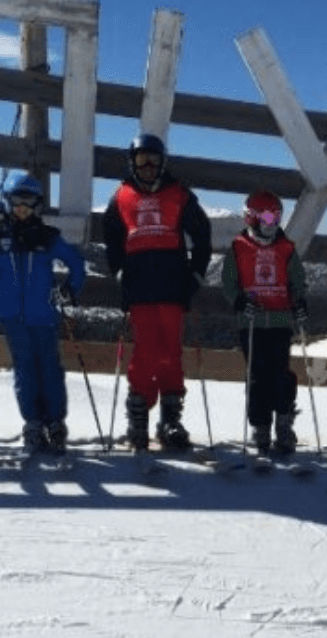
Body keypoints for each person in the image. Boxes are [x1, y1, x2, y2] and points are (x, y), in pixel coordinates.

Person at [0, 173, 86, 457]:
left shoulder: (48, 237)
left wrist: (69, 289)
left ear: (38, 205)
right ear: (8, 202)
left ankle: (55, 423)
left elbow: (76, 262)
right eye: (17, 201)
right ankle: (32, 423)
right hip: (11, 315)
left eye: (29, 202)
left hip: (44, 315)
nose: (23, 208)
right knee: (25, 370)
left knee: (50, 370)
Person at [102, 133, 212, 452]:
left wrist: (196, 274)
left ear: (163, 163)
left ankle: (169, 421)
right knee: (144, 355)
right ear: (132, 163)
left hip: (173, 288)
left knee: (171, 355)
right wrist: (118, 270)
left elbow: (202, 236)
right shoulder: (121, 196)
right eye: (141, 160)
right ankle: (138, 420)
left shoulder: (179, 195)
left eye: (153, 160)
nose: (147, 166)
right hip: (139, 290)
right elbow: (111, 237)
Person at [221, 189, 308, 461]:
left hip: (280, 321)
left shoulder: (286, 248)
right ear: (252, 218)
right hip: (252, 323)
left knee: (280, 374)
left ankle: (283, 424)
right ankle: (260, 428)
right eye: (267, 217)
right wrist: (238, 301)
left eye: (276, 217)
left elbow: (297, 279)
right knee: (258, 376)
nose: (272, 224)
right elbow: (229, 281)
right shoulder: (239, 247)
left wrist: (299, 301)